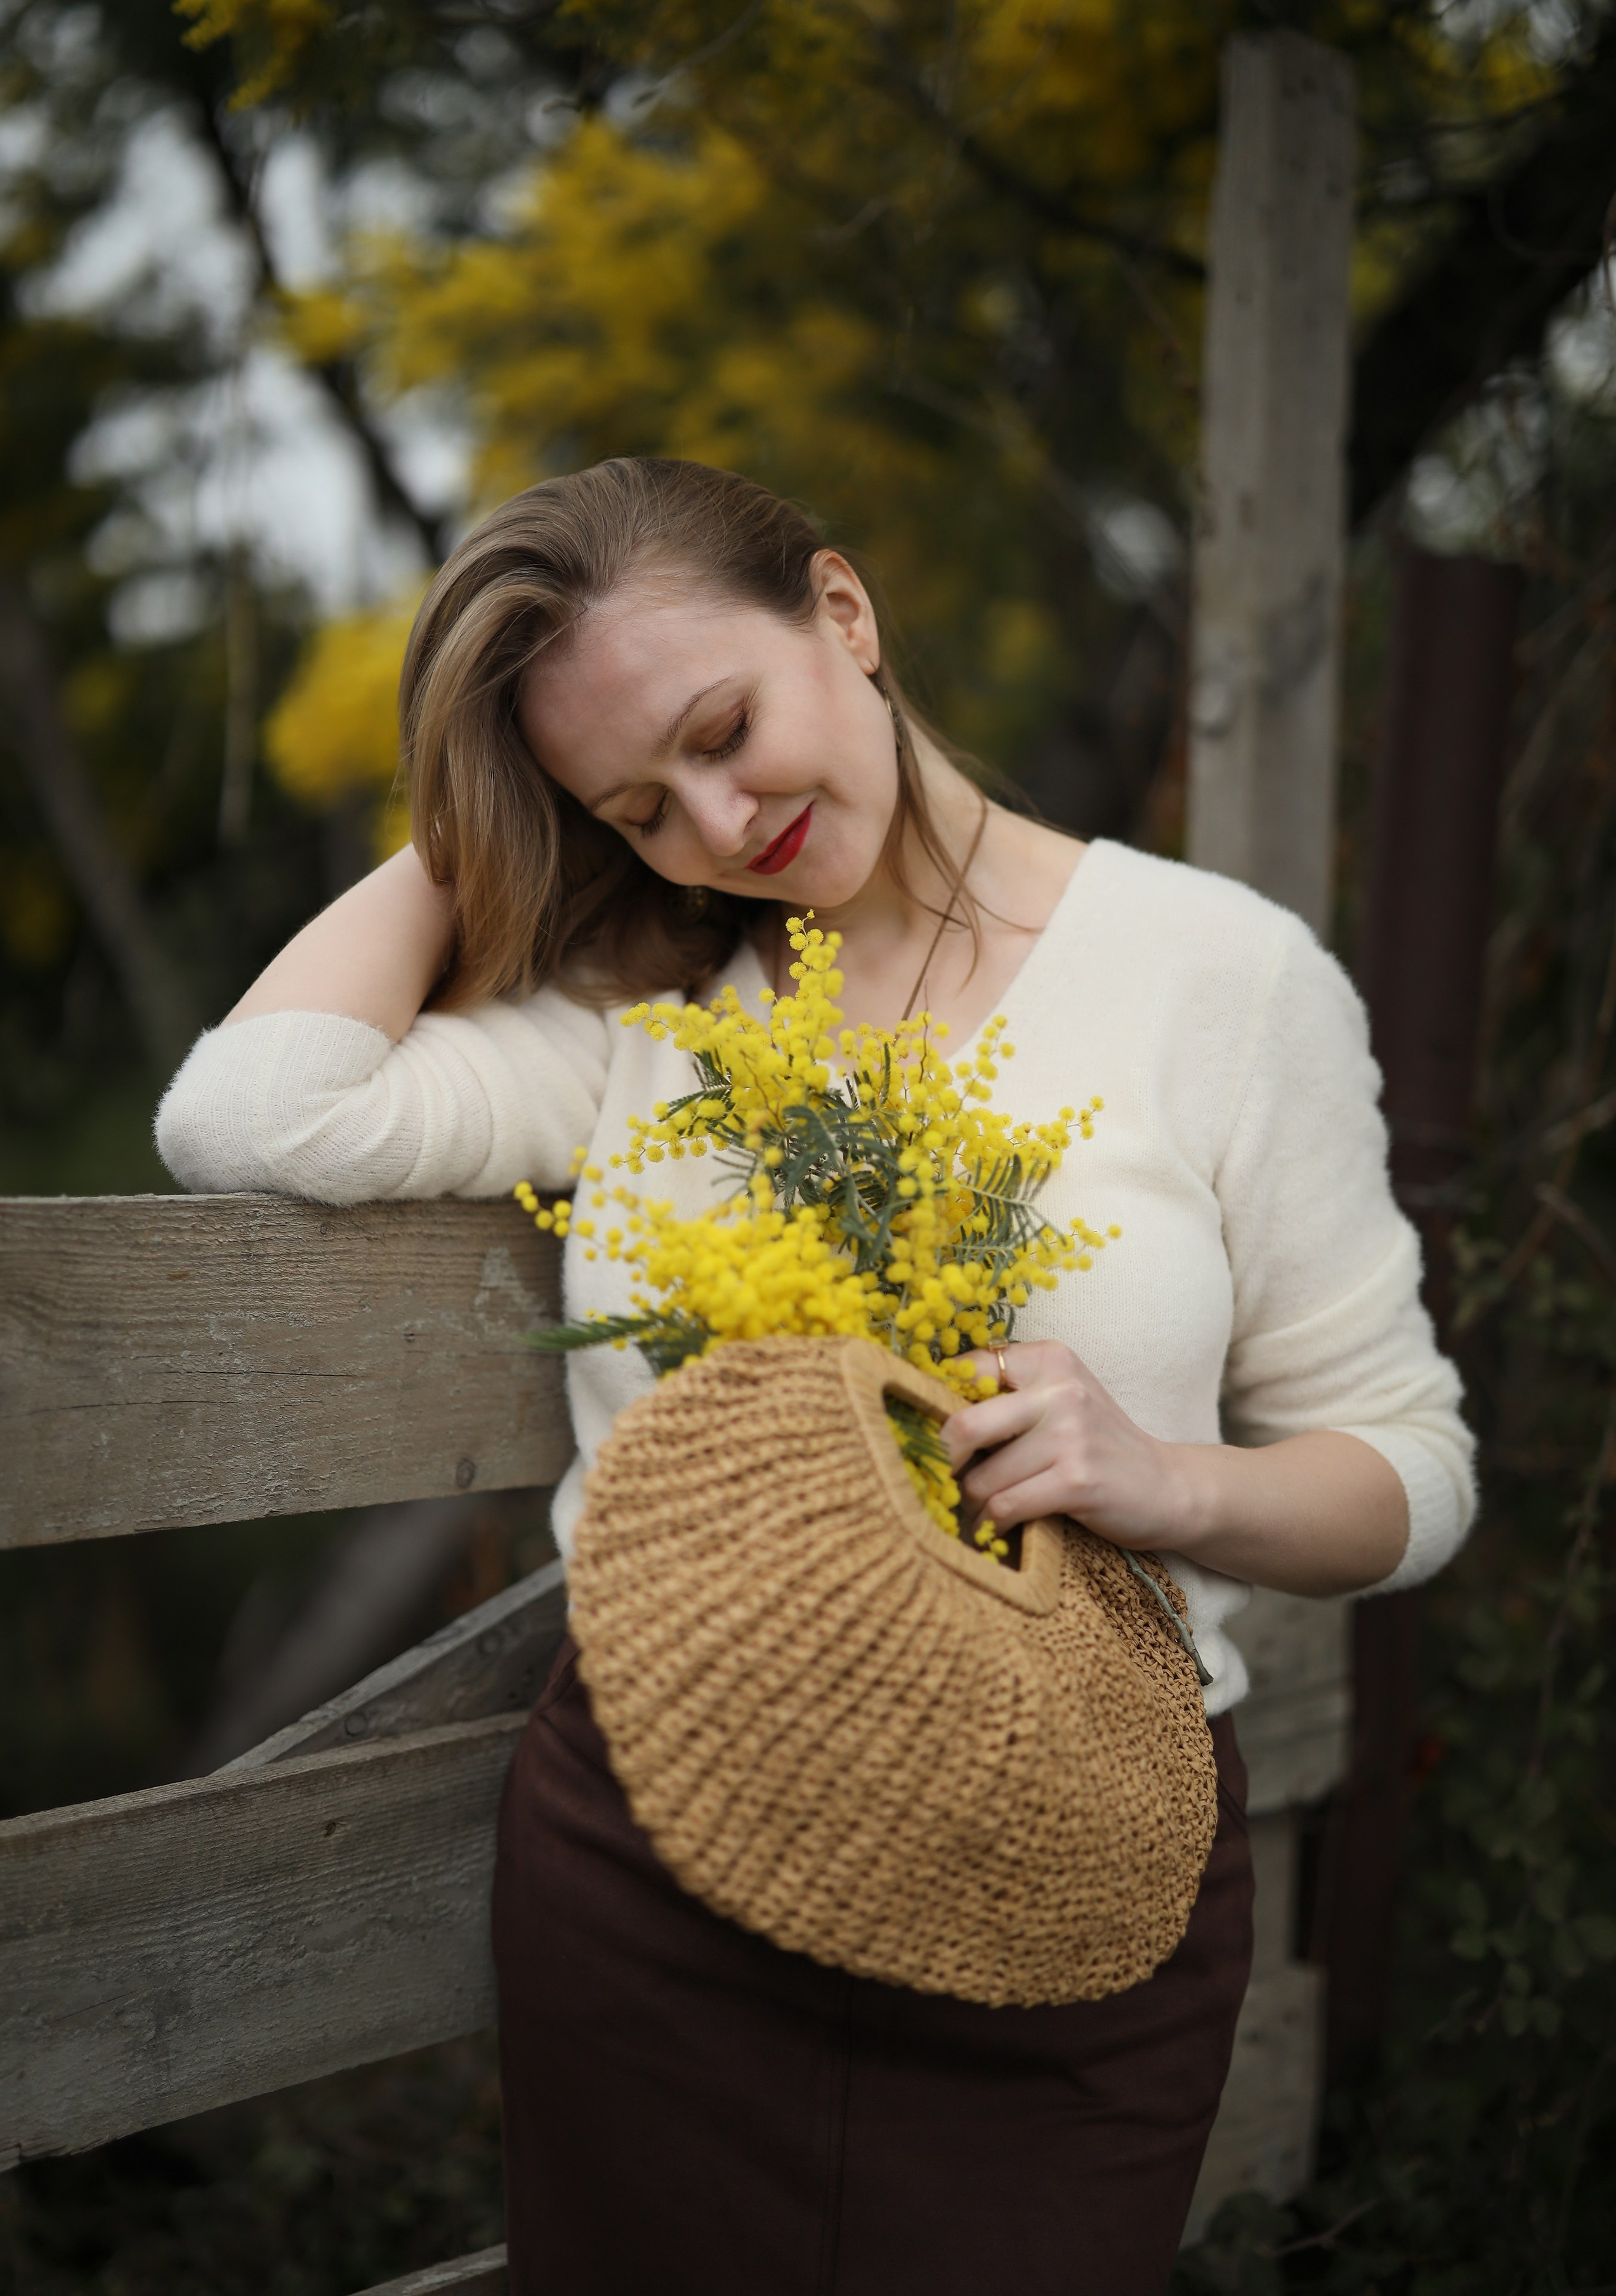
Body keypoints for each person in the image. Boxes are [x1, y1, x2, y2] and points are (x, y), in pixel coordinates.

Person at [156, 456, 1475, 2295]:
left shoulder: (1225, 980)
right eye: (639, 801)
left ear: (842, 617)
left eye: (722, 726)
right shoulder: (644, 1018)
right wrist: (492, 818)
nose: (715, 818)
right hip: (657, 1882)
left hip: (1076, 1881)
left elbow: (1410, 1468)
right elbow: (243, 1117)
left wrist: (1168, 1485)